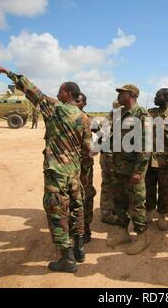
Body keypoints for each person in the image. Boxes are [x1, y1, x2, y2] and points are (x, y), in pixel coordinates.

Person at [0, 59, 92, 273]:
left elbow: (29, 88)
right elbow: (87, 149)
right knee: (77, 208)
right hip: (74, 172)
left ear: (66, 93)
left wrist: (5, 71)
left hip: (57, 172)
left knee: (57, 212)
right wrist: (83, 174)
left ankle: (67, 259)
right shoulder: (84, 117)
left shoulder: (55, 108)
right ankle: (80, 249)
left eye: (60, 90)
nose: (58, 92)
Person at [107, 84, 151, 255]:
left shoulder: (142, 115)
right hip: (118, 168)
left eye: (122, 92)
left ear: (131, 95)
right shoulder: (120, 114)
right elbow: (114, 138)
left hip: (133, 170)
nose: (118, 95)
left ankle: (142, 238)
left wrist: (139, 171)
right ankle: (122, 233)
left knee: (137, 205)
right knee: (119, 203)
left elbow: (146, 146)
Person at [145, 88, 168, 231]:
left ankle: (161, 215)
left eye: (157, 96)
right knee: (149, 187)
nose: (154, 98)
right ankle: (148, 213)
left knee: (165, 189)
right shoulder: (149, 113)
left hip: (165, 160)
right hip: (149, 158)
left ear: (165, 98)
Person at [74, 93, 97, 243]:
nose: (75, 104)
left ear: (84, 104)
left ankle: (86, 229)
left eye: (79, 101)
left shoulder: (89, 120)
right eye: (74, 101)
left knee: (87, 197)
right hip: (70, 167)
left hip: (85, 168)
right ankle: (75, 229)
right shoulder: (65, 118)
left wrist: (95, 149)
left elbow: (103, 136)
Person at [99, 100, 121, 225]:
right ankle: (106, 213)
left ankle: (114, 209)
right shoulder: (109, 122)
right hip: (109, 157)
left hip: (114, 157)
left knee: (117, 185)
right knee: (108, 185)